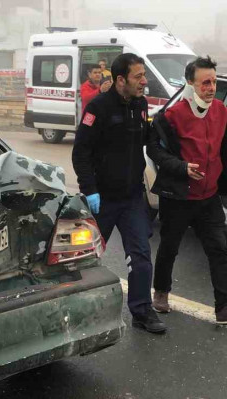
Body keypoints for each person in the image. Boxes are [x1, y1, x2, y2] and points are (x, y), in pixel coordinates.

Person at [147, 56, 227, 324]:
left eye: (214, 81)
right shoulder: (172, 116)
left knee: (219, 250)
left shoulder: (222, 113)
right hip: (179, 197)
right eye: (205, 82)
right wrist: (182, 167)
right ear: (190, 84)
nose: (211, 87)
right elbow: (155, 150)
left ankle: (225, 307)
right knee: (169, 247)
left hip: (209, 197)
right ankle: (161, 293)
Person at [72, 53, 166, 334]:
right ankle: (76, 310)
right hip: (102, 199)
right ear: (121, 79)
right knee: (85, 257)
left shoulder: (140, 105)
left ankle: (142, 311)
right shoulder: (98, 108)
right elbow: (81, 152)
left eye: (144, 75)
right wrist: (90, 190)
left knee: (140, 257)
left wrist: (164, 137)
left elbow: (147, 140)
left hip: (132, 198)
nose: (144, 81)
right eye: (139, 76)